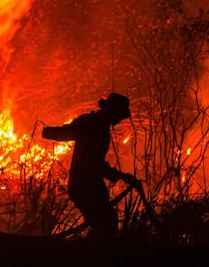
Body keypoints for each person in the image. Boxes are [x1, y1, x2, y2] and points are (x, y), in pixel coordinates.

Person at [42, 92, 139, 242]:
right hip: (85, 186)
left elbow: (95, 161)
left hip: (89, 185)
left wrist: (121, 176)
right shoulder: (93, 126)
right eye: (119, 115)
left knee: (106, 225)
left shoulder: (94, 124)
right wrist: (50, 132)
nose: (120, 120)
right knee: (105, 226)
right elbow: (93, 162)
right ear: (113, 112)